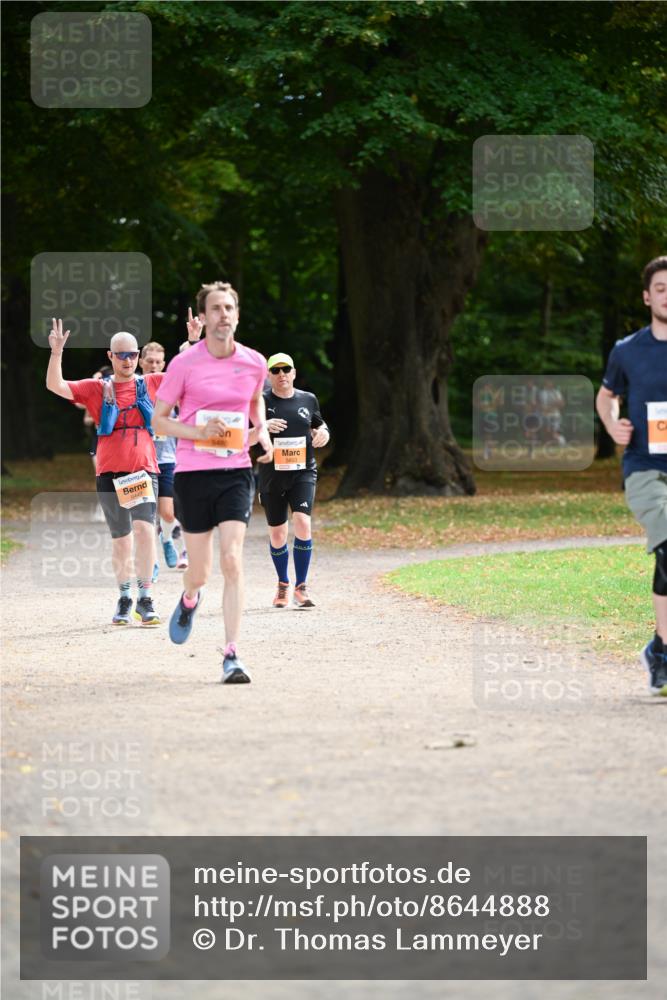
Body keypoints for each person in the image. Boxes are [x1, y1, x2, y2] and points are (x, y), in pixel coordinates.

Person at [152, 282, 273, 684]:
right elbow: (159, 421)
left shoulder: (254, 362)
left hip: (236, 471)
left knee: (232, 559)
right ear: (203, 318)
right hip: (192, 474)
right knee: (200, 573)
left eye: (229, 308)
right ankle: (190, 598)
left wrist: (261, 430)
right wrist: (198, 432)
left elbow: (255, 400)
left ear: (237, 314)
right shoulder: (184, 364)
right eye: (216, 308)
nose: (223, 315)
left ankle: (232, 654)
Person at [46, 321, 163, 626]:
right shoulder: (97, 388)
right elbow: (56, 385)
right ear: (110, 356)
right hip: (110, 472)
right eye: (121, 354)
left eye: (133, 354)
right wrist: (56, 353)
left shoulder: (151, 383)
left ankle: (145, 598)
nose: (128, 360)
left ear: (138, 356)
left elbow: (191, 376)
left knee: (145, 531)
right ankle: (124, 598)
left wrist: (193, 342)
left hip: (143, 470)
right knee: (122, 540)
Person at [596, 255, 667, 695]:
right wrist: (612, 425)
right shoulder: (627, 350)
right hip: (645, 468)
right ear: (646, 297)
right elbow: (606, 397)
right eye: (661, 289)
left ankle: (660, 650)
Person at [258, 352, 329, 608]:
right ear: (269, 375)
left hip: (303, 472)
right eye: (275, 370)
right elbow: (244, 432)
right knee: (278, 534)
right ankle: (283, 583)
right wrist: (263, 426)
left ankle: (301, 587)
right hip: (272, 474)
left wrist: (324, 432)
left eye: (286, 369)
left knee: (302, 523)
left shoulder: (308, 399)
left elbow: (319, 424)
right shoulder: (260, 401)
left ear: (294, 373)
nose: (281, 375)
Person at [139, 342, 187, 571]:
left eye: (158, 362)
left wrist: (167, 423)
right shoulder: (134, 386)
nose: (154, 366)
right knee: (144, 517)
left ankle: (166, 538)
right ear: (141, 362)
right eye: (150, 361)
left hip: (166, 458)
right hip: (139, 459)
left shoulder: (172, 388)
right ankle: (152, 562)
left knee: (168, 513)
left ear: (164, 363)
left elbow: (186, 418)